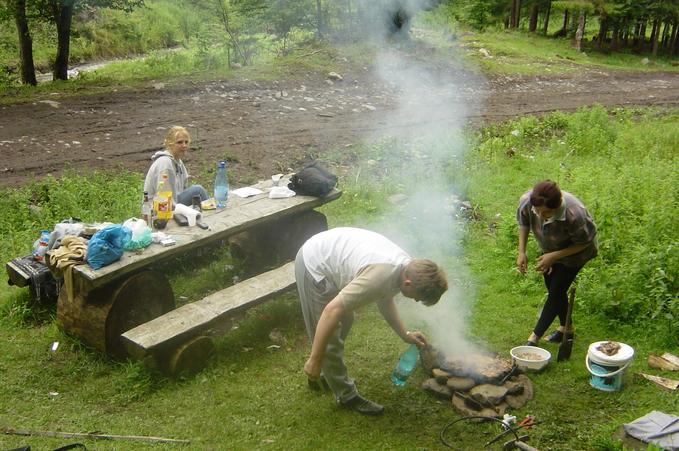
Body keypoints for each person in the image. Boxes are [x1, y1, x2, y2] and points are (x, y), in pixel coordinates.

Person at [295, 227, 448, 415]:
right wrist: (314, 358)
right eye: (417, 297)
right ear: (408, 284)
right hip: (314, 264)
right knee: (332, 329)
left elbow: (385, 298)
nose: (415, 300)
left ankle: (326, 372)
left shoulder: (406, 269)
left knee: (346, 320)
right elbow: (330, 312)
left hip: (328, 255)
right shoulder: (380, 277)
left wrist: (405, 335)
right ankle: (346, 395)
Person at [516, 180, 597, 346]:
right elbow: (524, 223)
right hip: (550, 250)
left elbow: (584, 243)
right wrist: (522, 252)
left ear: (557, 205)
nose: (539, 215)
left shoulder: (575, 213)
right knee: (552, 285)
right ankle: (566, 328)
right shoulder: (527, 201)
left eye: (546, 213)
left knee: (556, 290)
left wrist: (554, 256)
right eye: (537, 211)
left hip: (576, 254)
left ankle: (533, 338)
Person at [143, 126, 209, 206]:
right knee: (198, 190)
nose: (184, 145)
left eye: (186, 142)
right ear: (169, 144)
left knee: (197, 194)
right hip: (158, 207)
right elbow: (163, 196)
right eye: (179, 142)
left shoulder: (178, 162)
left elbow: (182, 190)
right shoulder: (165, 163)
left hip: (172, 202)